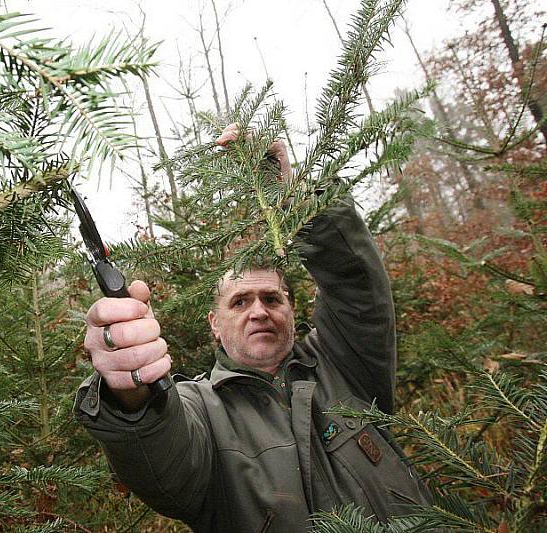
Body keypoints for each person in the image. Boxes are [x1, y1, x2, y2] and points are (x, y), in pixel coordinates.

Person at [74, 124, 432, 532]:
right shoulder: (201, 410)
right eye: (240, 302)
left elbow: (357, 285)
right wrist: (130, 389)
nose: (259, 311)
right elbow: (161, 458)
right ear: (215, 324)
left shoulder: (342, 366)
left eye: (272, 298)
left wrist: (295, 201)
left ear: (293, 312)